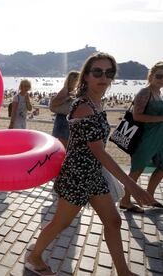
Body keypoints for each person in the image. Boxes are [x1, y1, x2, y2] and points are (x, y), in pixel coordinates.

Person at [26, 52, 154, 276]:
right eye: (97, 72)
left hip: (93, 174)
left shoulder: (97, 102)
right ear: (86, 76)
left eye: (109, 72)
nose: (103, 77)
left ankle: (123, 271)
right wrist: (131, 186)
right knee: (60, 223)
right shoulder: (84, 106)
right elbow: (100, 152)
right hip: (77, 175)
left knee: (113, 221)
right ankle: (34, 256)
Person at [120, 61, 163, 212]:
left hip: (159, 139)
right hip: (145, 139)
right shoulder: (145, 92)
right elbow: (137, 116)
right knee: (137, 169)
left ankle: (149, 196)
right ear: (151, 76)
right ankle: (125, 200)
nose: (162, 79)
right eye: (159, 76)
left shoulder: (158, 93)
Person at [50, 71, 79, 148]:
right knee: (63, 147)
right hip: (63, 120)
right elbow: (54, 103)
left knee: (64, 147)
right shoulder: (65, 90)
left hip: (65, 120)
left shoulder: (71, 90)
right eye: (76, 80)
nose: (78, 82)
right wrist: (68, 97)